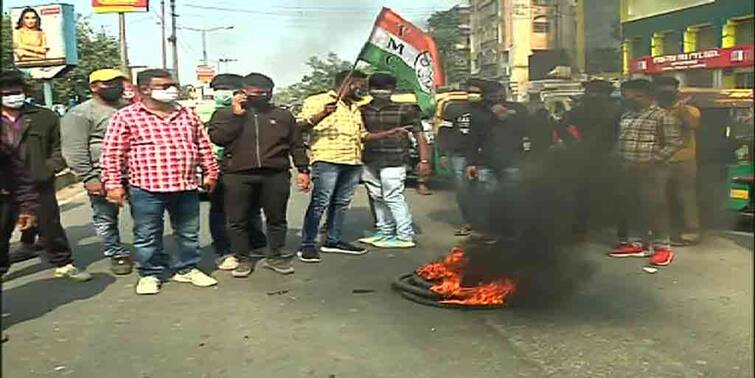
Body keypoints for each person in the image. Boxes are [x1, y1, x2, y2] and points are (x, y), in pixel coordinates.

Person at [101, 69, 219, 295]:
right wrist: (113, 184)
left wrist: (210, 172)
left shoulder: (187, 114)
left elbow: (203, 145)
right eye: (165, 86)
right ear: (144, 89)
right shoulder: (126, 116)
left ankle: (187, 268)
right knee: (147, 234)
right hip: (147, 188)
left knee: (188, 232)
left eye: (173, 84)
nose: (172, 90)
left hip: (185, 185)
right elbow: (112, 153)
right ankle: (150, 273)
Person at [209, 73, 310, 277]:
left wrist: (303, 170)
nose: (262, 96)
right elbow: (219, 139)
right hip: (237, 174)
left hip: (275, 174)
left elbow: (296, 145)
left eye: (266, 93)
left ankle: (275, 256)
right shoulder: (224, 114)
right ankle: (243, 258)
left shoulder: (282, 115)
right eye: (256, 93)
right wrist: (236, 115)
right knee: (237, 220)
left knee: (276, 218)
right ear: (244, 92)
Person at [1, 70, 91, 281]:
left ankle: (62, 262)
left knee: (49, 224)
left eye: (17, 91)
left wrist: (48, 168)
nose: (14, 97)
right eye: (7, 93)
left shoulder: (44, 117)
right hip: (3, 186)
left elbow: (60, 148)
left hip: (37, 182)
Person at [61, 68, 133, 275]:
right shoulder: (80, 114)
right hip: (100, 173)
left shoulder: (129, 108)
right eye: (108, 83)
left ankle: (150, 251)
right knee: (106, 217)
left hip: (136, 172)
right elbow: (74, 149)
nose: (115, 87)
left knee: (146, 215)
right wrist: (89, 177)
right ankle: (116, 253)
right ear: (93, 87)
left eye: (118, 82)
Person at [296, 70, 370, 263]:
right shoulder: (317, 100)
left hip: (352, 160)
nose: (363, 89)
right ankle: (308, 244)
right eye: (360, 85)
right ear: (349, 83)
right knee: (321, 202)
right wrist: (323, 113)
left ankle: (333, 240)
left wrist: (387, 134)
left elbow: (361, 134)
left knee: (342, 203)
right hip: (327, 159)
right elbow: (300, 127)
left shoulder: (355, 107)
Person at [197, 74, 268, 271]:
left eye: (228, 89)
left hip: (240, 164)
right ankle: (224, 250)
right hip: (214, 164)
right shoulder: (203, 109)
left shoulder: (248, 109)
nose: (223, 93)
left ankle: (254, 242)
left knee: (250, 207)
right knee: (219, 209)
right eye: (219, 89)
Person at [609, 79, 683, 268]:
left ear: (645, 95)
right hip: (627, 168)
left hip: (653, 170)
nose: (626, 97)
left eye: (631, 93)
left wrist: (652, 161)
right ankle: (636, 243)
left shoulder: (662, 116)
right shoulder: (626, 115)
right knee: (632, 205)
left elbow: (674, 143)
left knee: (655, 208)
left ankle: (662, 247)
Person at [357, 73, 431, 249]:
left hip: (395, 158)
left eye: (385, 88)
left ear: (392, 90)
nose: (380, 92)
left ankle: (405, 235)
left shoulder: (406, 109)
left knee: (393, 196)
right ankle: (384, 231)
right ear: (369, 90)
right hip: (370, 159)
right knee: (376, 196)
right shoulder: (362, 110)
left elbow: (419, 135)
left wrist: (424, 160)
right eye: (376, 88)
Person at [465, 80, 529, 242]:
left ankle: (515, 232)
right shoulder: (478, 112)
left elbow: (528, 128)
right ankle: (491, 231)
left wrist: (508, 116)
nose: (497, 97)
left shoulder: (518, 109)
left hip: (512, 162)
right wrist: (471, 163)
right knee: (489, 200)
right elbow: (473, 139)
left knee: (514, 198)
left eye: (500, 94)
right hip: (486, 163)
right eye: (492, 95)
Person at [559, 80, 622, 238]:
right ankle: (581, 229)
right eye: (591, 92)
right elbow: (563, 128)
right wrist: (574, 144)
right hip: (584, 159)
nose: (594, 95)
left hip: (609, 158)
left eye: (597, 92)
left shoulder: (618, 111)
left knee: (613, 195)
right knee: (582, 195)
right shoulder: (578, 111)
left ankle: (615, 230)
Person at [653, 76, 702, 246]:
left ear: (676, 90)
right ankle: (664, 232)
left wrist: (679, 108)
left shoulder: (689, 109)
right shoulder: (652, 110)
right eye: (661, 88)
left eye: (669, 88)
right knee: (660, 198)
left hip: (683, 160)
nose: (664, 92)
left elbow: (692, 124)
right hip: (658, 158)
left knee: (685, 197)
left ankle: (690, 232)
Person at [436, 81, 482, 237]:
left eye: (477, 92)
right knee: (463, 190)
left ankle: (485, 222)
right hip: (459, 154)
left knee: (485, 189)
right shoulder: (454, 109)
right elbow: (443, 130)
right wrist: (442, 153)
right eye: (470, 91)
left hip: (483, 154)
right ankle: (468, 222)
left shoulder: (487, 110)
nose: (473, 94)